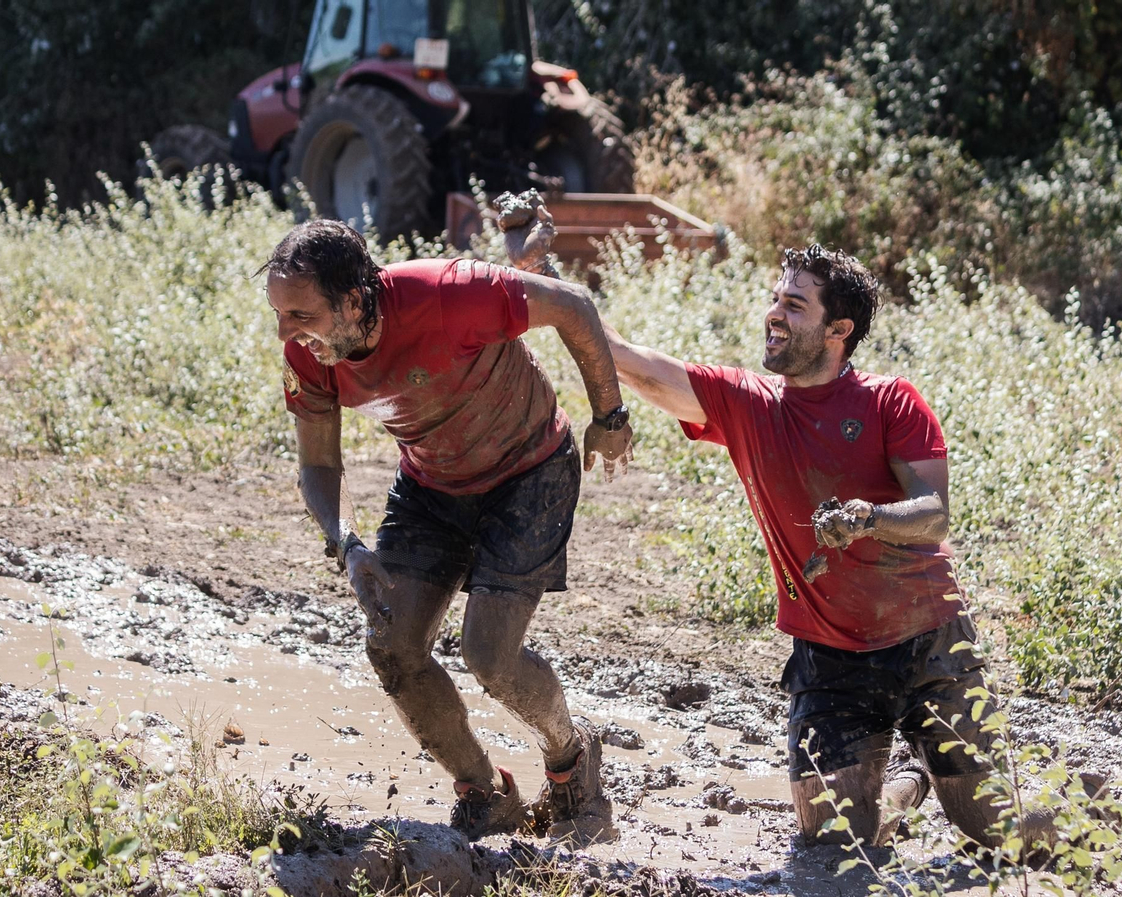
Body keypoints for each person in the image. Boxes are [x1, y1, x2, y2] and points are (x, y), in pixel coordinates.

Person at [494, 194, 1041, 852]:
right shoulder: (747, 404)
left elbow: (932, 515)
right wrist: (538, 270)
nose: (773, 315)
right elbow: (623, 357)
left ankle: (1074, 814)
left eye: (794, 306)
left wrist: (868, 517)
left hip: (927, 636)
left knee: (997, 834)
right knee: (832, 834)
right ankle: (904, 778)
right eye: (776, 299)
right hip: (833, 650)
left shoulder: (892, 400)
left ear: (839, 330)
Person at [263, 219, 631, 844]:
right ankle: (485, 794)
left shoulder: (447, 291)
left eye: (300, 314)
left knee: (489, 656)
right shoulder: (310, 352)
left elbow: (573, 305)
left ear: (354, 301)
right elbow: (318, 465)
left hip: (530, 471)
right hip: (432, 488)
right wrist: (348, 543)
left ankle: (570, 759)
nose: (286, 333)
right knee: (392, 646)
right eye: (278, 314)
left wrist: (610, 414)